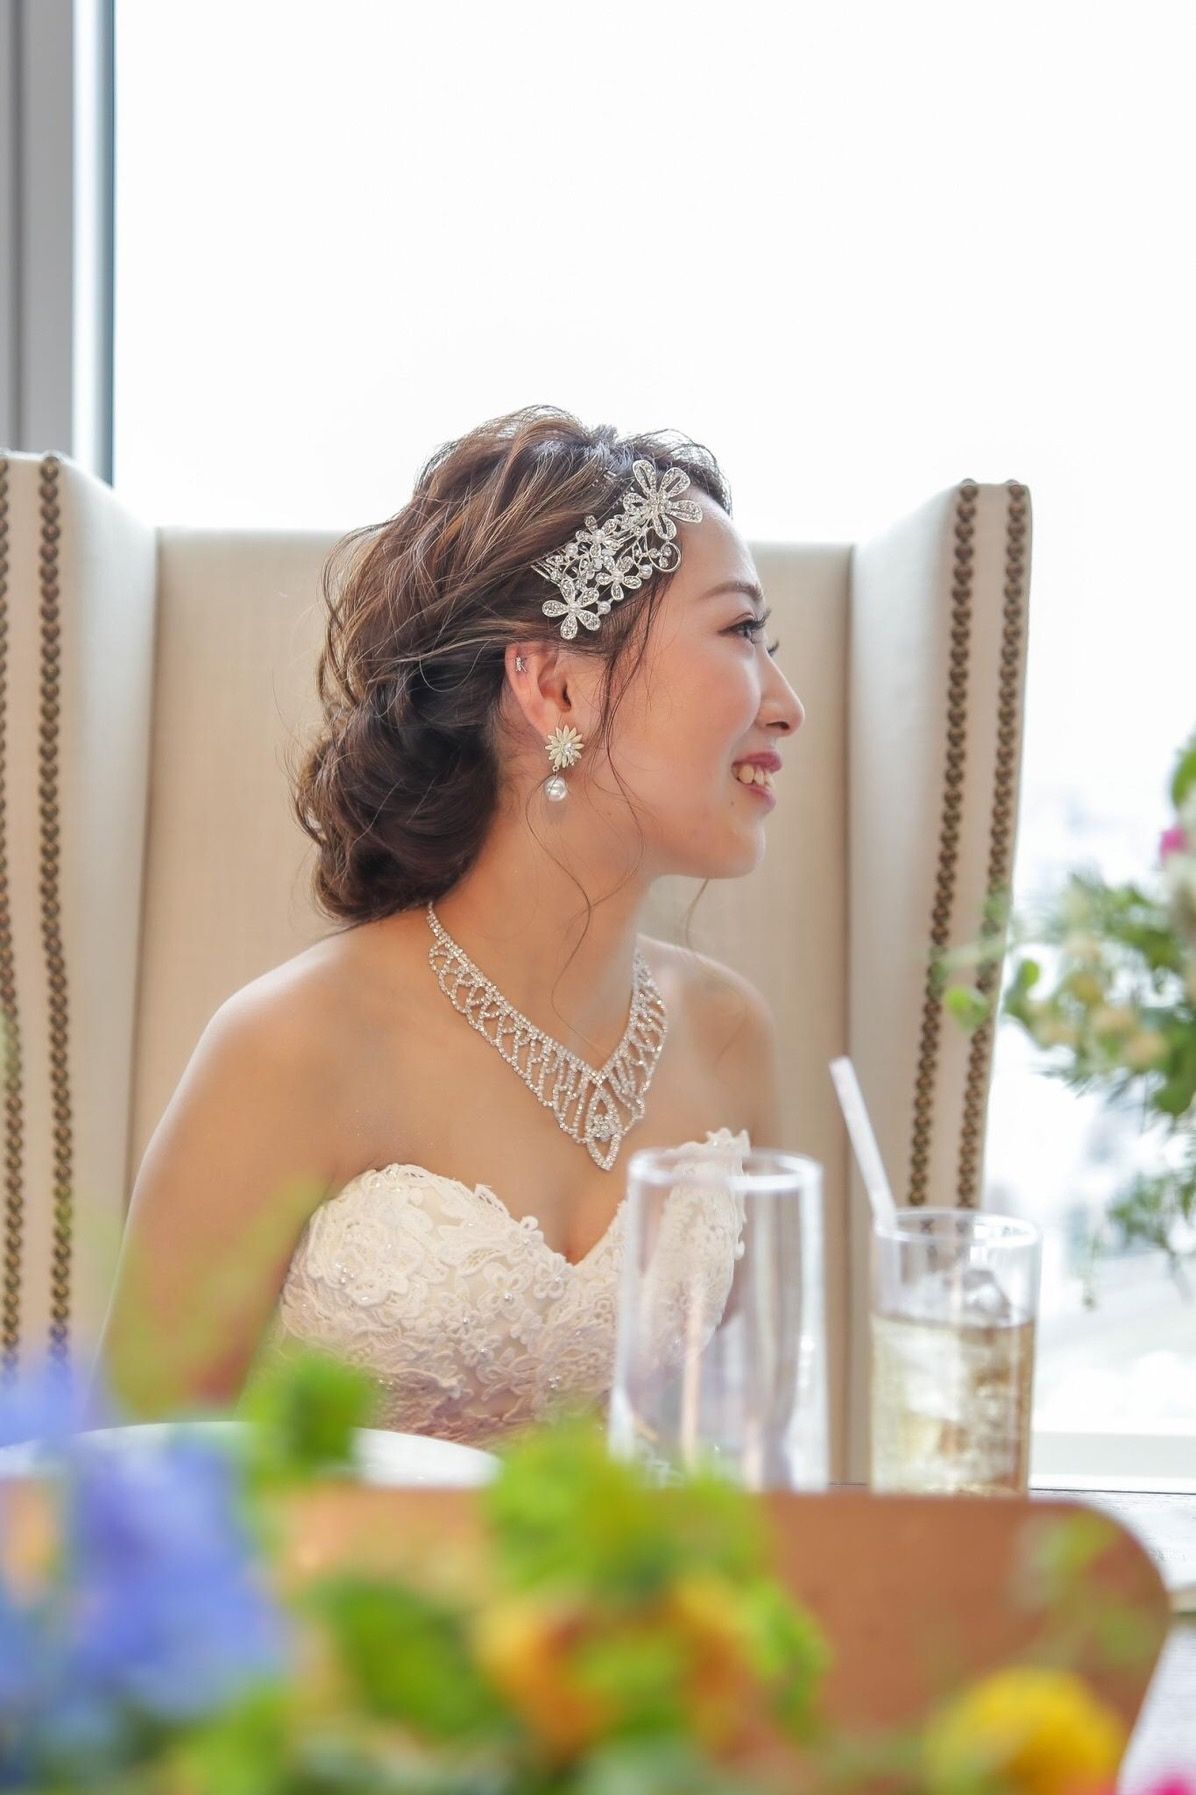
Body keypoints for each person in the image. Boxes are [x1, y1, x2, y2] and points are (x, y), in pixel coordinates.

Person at [91, 404, 805, 1444]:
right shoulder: (291, 1047)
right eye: (740, 631)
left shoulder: (728, 1039)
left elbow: (730, 1458)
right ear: (555, 685)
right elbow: (124, 1487)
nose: (785, 703)